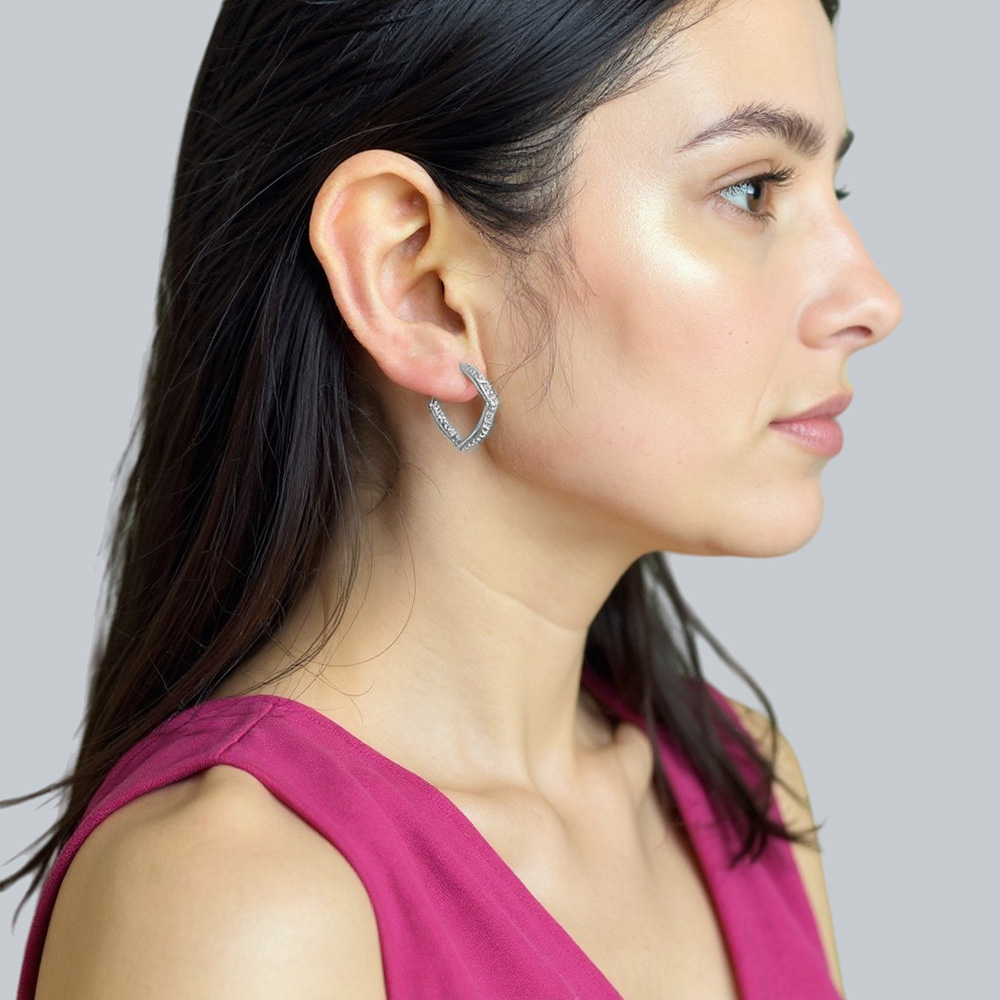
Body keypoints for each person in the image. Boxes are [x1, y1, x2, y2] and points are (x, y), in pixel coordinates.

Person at [4, 0, 902, 996]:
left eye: (832, 187)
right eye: (751, 190)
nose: (871, 299)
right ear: (418, 282)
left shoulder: (742, 788)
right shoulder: (240, 904)